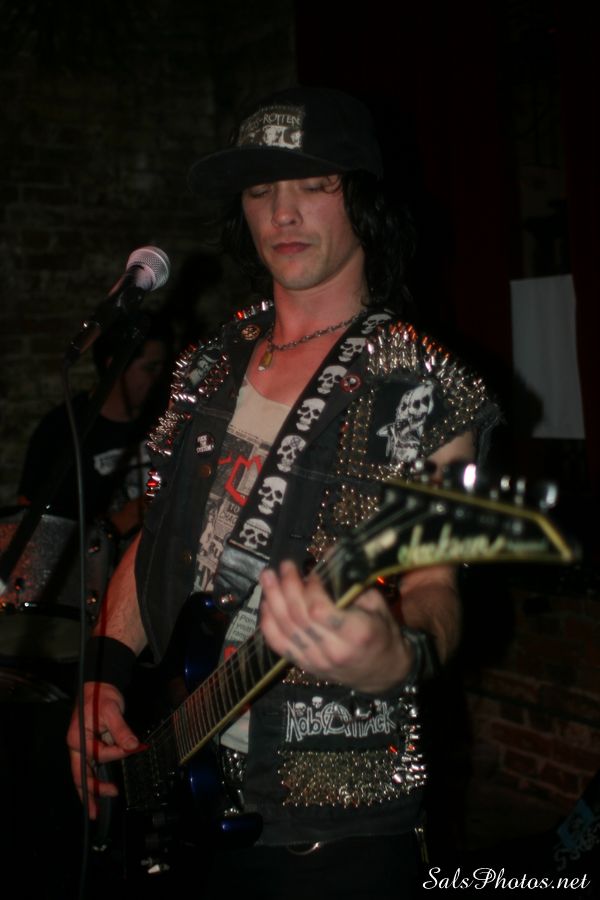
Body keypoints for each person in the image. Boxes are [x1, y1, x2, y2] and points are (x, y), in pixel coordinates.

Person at [67, 87, 499, 899]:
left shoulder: (424, 387)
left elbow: (436, 588)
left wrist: (397, 651)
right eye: (261, 190)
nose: (283, 213)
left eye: (313, 185)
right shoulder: (208, 365)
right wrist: (104, 673)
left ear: (363, 201)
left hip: (332, 829)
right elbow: (156, 538)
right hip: (185, 779)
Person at [18, 315, 171, 545]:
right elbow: (31, 521)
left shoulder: (166, 416)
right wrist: (119, 523)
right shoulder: (60, 429)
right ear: (115, 366)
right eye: (150, 368)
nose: (160, 378)